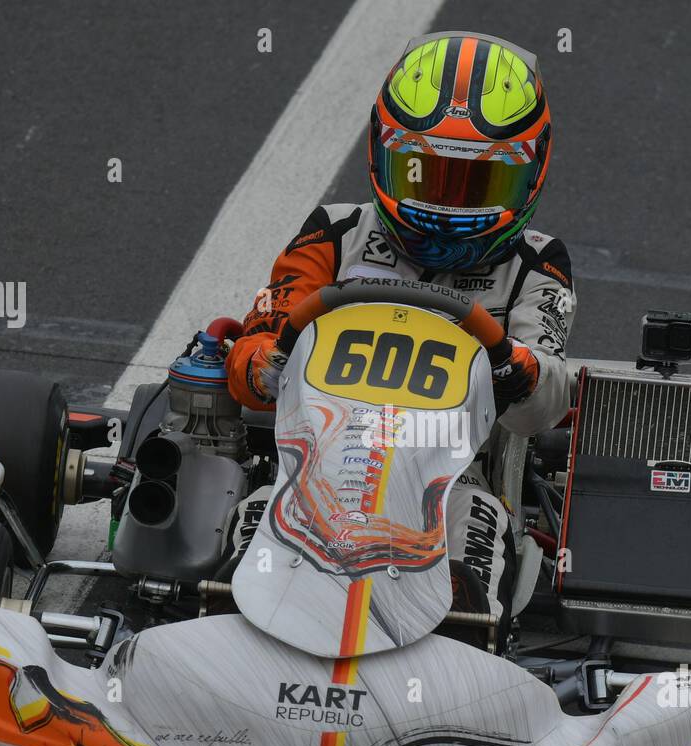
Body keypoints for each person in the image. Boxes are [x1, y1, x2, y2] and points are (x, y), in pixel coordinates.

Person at [224, 30, 576, 650]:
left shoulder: (536, 264)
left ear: (528, 175)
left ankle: (454, 668)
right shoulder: (334, 233)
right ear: (384, 156)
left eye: (477, 185)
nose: (444, 205)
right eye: (427, 174)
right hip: (313, 461)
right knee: (257, 511)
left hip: (449, 480)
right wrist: (266, 364)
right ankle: (232, 643)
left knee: (481, 526)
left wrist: (515, 368)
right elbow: (253, 349)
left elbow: (544, 404)